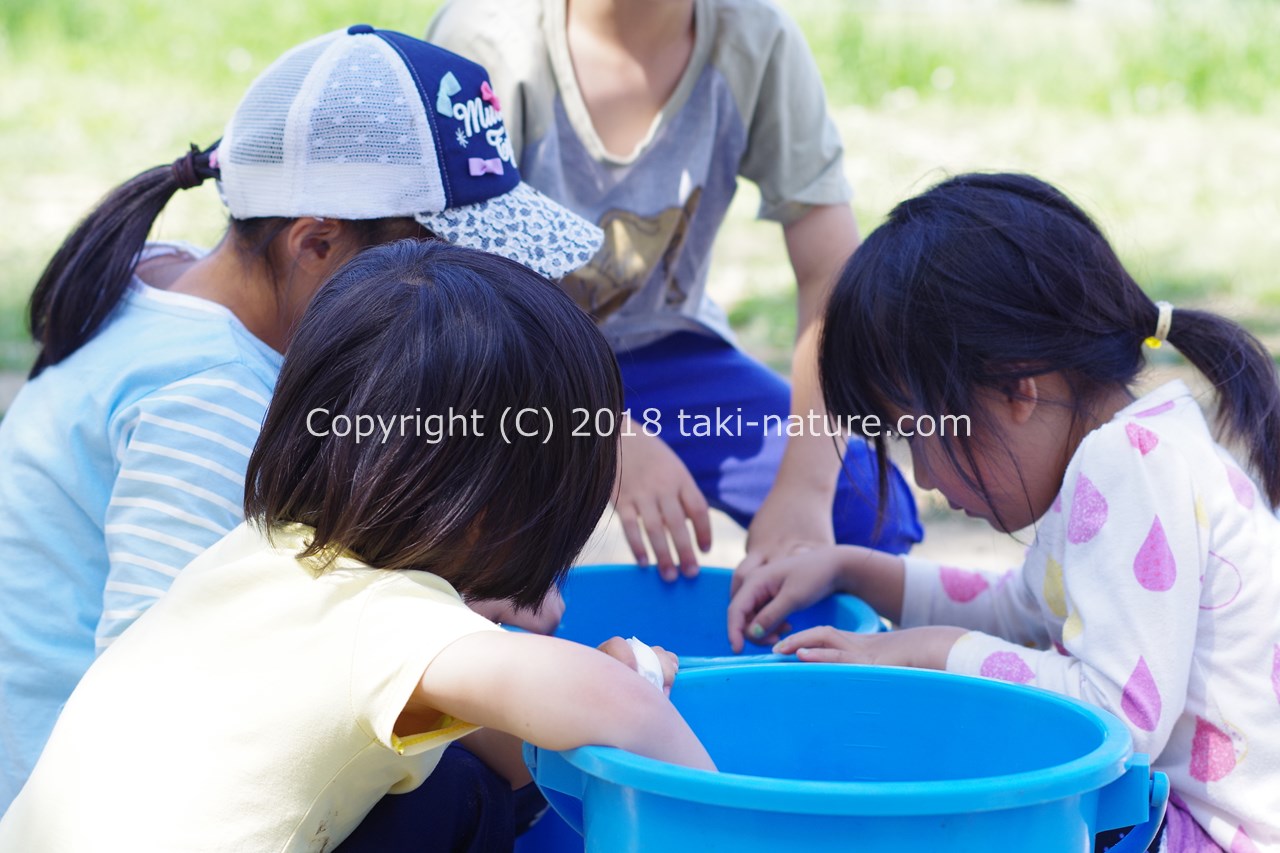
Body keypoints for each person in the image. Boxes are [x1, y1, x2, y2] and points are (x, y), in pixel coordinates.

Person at [0, 24, 603, 827]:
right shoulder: (211, 400)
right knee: (474, 782)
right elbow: (175, 680)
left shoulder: (172, 279)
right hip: (89, 804)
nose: (472, 297)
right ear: (317, 242)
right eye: (441, 268)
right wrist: (463, 629)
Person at [0, 239, 717, 851]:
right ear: (489, 513)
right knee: (459, 796)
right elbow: (621, 710)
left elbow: (505, 748)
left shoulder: (262, 551)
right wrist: (636, 686)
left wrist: (572, 688)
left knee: (458, 781)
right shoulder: (387, 619)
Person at [727, 173, 1280, 850]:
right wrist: (850, 569)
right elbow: (1015, 612)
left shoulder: (1131, 462)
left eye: (920, 431)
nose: (925, 474)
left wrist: (919, 651)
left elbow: (1118, 720)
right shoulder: (1116, 458)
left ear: (1019, 388)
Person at [427, 0, 921, 583]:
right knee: (458, 534)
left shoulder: (756, 42)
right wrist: (601, 432)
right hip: (496, 367)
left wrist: (805, 494)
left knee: (866, 501)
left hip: (666, 354)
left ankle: (817, 662)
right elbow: (448, 289)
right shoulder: (487, 41)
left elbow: (831, 271)